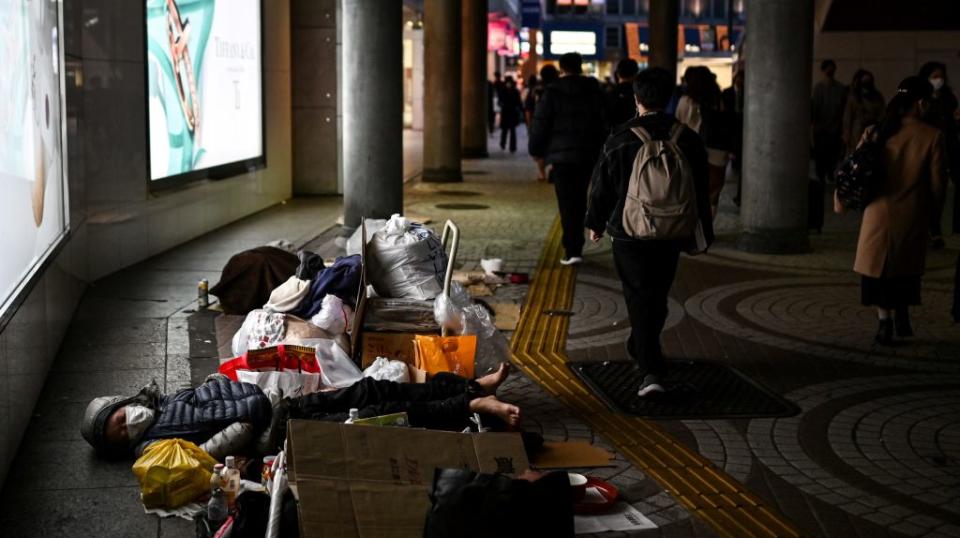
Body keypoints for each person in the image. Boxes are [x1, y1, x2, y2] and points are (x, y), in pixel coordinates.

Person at [585, 67, 714, 397]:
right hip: (673, 231)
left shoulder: (621, 137)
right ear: (669, 97)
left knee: (639, 295)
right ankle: (642, 345)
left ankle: (650, 370)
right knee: (657, 292)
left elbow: (603, 185)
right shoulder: (688, 138)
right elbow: (702, 188)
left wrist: (595, 223)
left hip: (629, 231)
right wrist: (703, 229)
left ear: (637, 98)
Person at [80, 364, 520, 459]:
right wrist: (245, 420)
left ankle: (471, 386)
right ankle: (471, 405)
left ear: (126, 405)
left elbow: (221, 386)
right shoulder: (154, 446)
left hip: (281, 407)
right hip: (279, 434)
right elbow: (212, 449)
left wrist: (244, 400)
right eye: (119, 434)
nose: (127, 427)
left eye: (121, 418)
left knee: (370, 388)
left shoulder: (167, 402)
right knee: (385, 415)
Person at [853, 76, 946, 345]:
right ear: (920, 103)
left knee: (879, 273)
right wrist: (934, 217)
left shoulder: (876, 131)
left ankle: (885, 323)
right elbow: (938, 185)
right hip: (911, 215)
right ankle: (902, 314)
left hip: (877, 214)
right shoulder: (932, 136)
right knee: (904, 271)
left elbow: (857, 168)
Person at [529, 52, 608, 265]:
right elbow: (604, 121)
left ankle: (572, 250)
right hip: (587, 154)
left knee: (567, 202)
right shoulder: (594, 90)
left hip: (561, 157)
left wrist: (535, 149)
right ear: (581, 67)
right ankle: (577, 245)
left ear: (561, 68)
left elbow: (540, 122)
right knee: (580, 197)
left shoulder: (551, 92)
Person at [675, 66, 730, 216]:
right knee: (713, 194)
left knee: (693, 192)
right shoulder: (718, 99)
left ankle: (697, 229)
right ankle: (709, 229)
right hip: (718, 149)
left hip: (692, 151)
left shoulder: (686, 100)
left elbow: (679, 125)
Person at [917, 61, 959, 247]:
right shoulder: (922, 99)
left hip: (945, 148)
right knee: (926, 190)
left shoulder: (949, 98)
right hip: (926, 148)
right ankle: (929, 228)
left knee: (939, 190)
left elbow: (951, 123)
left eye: (941, 76)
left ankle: (934, 227)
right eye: (934, 76)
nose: (938, 80)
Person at [811, 59, 848, 184]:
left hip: (834, 128)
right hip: (822, 128)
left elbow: (843, 108)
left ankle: (829, 173)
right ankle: (822, 175)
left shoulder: (840, 89)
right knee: (821, 154)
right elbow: (815, 109)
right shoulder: (818, 88)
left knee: (832, 153)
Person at [842, 69, 885, 157]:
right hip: (856, 134)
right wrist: (847, 136)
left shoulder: (877, 97)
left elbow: (882, 115)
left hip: (872, 131)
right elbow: (848, 118)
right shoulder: (853, 97)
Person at [721, 70, 745, 206]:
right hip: (730, 125)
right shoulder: (727, 92)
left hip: (742, 126)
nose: (740, 82)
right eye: (739, 79)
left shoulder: (747, 92)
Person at [606, 58, 640, 128]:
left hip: (615, 134)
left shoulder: (609, 93)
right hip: (636, 132)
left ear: (618, 74)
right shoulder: (639, 93)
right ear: (636, 74)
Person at [498, 76, 523, 153]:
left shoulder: (514, 91)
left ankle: (511, 146)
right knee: (506, 130)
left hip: (511, 112)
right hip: (508, 112)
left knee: (510, 130)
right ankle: (504, 144)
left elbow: (519, 102)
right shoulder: (506, 91)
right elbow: (500, 101)